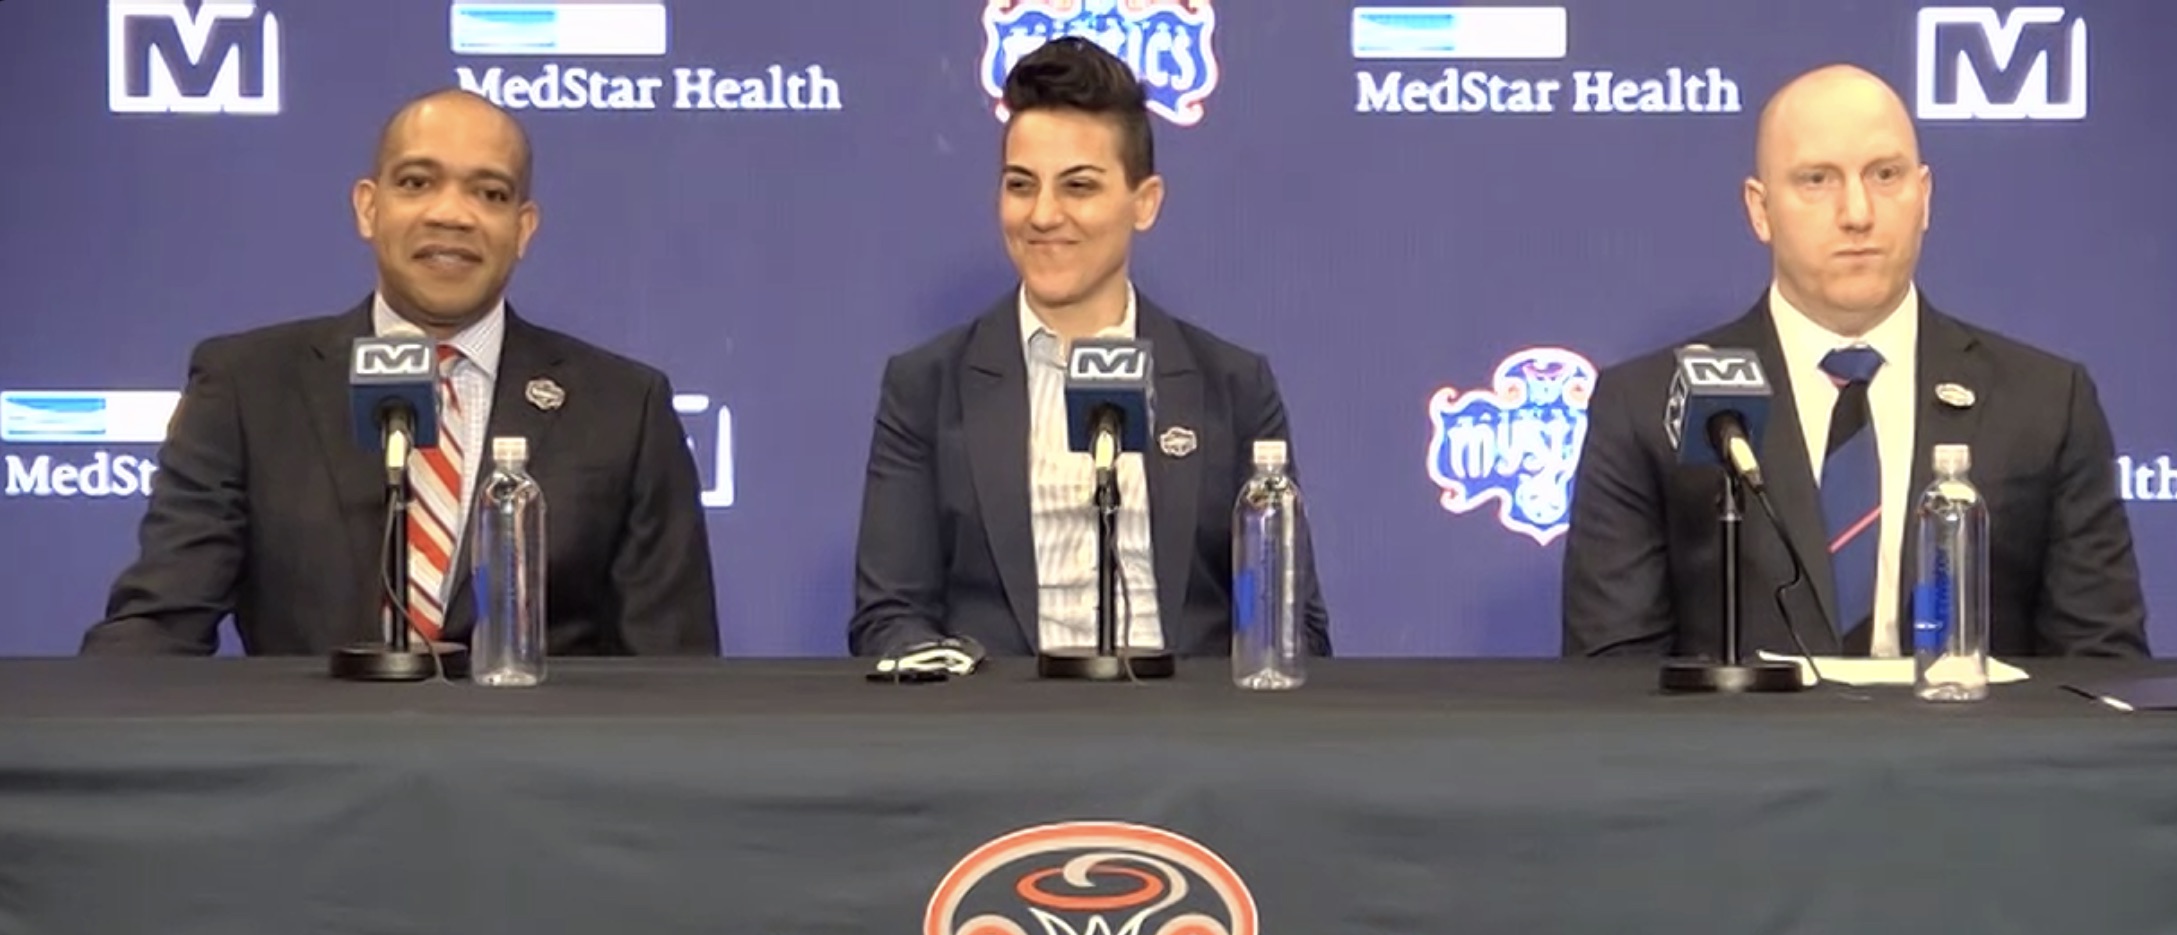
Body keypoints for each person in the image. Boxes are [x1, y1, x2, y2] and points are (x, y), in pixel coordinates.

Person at [83, 89, 720, 657]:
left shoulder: (624, 408)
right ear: (369, 208)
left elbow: (672, 675)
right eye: (417, 183)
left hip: (538, 754)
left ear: (523, 228)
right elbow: (159, 626)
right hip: (312, 752)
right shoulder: (246, 388)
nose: (451, 214)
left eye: (490, 193)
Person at [1562, 64, 2148, 660]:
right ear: (1760, 210)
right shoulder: (1646, 406)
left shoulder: (2044, 403)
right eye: (1817, 180)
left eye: (1885, 175)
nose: (1858, 213)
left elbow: (2099, 665)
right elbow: (1613, 675)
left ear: (1924, 197)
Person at [848, 37, 1331, 660]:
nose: (1043, 215)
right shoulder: (926, 387)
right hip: (996, 715)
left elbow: (1292, 625)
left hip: (1189, 717)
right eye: (1021, 185)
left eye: (1078, 186)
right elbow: (889, 617)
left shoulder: (1232, 386)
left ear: (1145, 203)